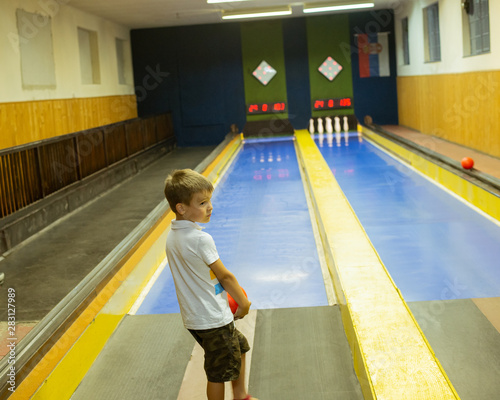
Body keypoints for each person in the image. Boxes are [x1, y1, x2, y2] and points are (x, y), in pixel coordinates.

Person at [164, 169, 258, 400]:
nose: (210, 207)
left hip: (196, 318)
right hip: (213, 319)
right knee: (218, 373)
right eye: (202, 202)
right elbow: (225, 277)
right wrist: (244, 303)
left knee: (240, 347)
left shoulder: (173, 236)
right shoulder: (200, 239)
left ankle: (240, 395)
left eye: (209, 200)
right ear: (181, 208)